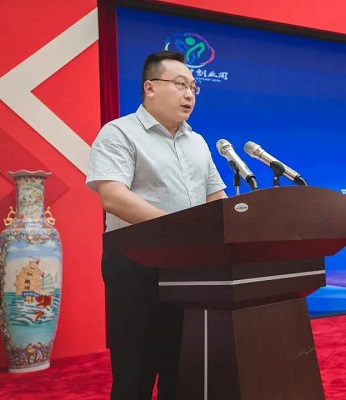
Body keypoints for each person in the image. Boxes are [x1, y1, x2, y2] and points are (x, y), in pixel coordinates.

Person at [86, 50, 227, 399]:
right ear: (150, 87)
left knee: (182, 370)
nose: (189, 94)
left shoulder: (198, 142)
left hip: (191, 268)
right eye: (180, 84)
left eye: (193, 87)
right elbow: (113, 197)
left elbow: (216, 198)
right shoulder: (119, 133)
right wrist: (178, 229)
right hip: (136, 267)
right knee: (135, 372)